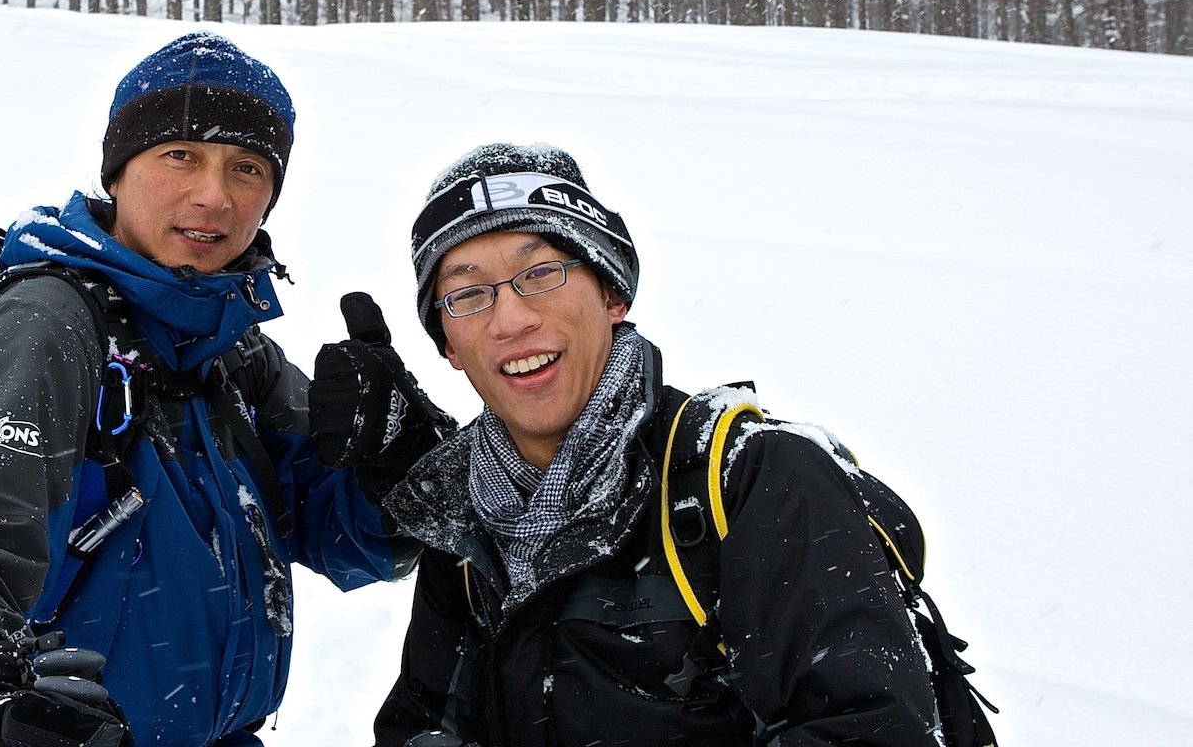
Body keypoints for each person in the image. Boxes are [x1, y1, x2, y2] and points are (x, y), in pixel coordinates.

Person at [0, 33, 445, 747]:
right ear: (117, 170)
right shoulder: (46, 324)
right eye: (180, 156)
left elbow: (337, 534)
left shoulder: (229, 346)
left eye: (247, 167)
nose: (214, 195)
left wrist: (395, 467)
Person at [338, 142, 943, 747]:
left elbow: (871, 730)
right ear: (448, 344)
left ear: (611, 292)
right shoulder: (465, 510)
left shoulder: (750, 478)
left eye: (542, 273)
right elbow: (423, 730)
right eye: (468, 294)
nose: (510, 320)